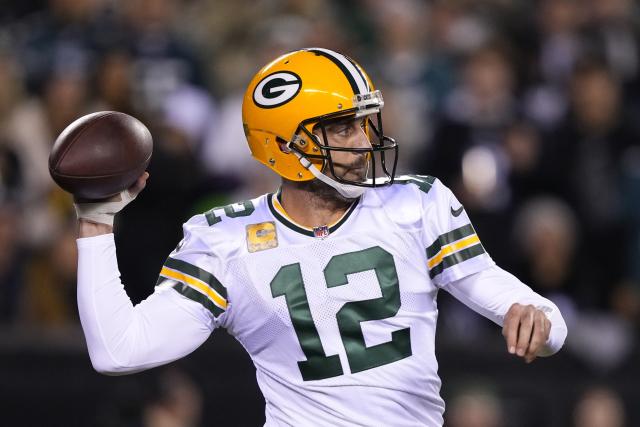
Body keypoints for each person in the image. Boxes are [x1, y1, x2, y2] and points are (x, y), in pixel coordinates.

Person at [75, 48, 567, 426]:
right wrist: (96, 222)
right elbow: (119, 350)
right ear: (286, 145)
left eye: (363, 124)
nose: (363, 143)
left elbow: (538, 316)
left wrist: (536, 319)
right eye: (342, 130)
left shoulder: (415, 203)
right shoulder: (225, 240)